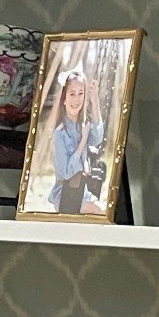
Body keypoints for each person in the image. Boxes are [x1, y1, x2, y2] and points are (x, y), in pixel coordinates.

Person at [48, 68, 105, 216]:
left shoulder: (82, 126)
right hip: (66, 194)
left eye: (81, 94)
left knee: (104, 212)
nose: (76, 99)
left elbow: (97, 138)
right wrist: (82, 142)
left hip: (81, 191)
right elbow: (66, 172)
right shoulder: (60, 134)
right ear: (64, 99)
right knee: (98, 213)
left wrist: (95, 101)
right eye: (72, 94)